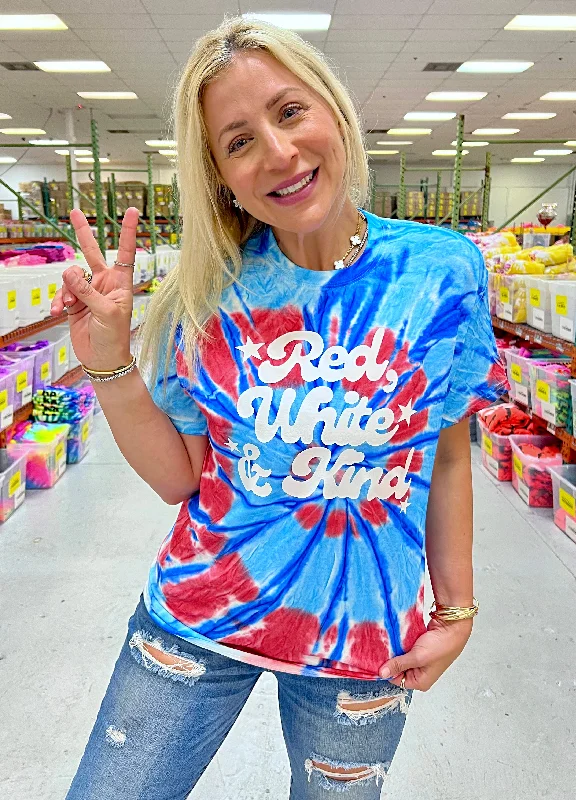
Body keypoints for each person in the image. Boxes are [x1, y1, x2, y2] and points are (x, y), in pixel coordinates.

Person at [55, 16, 507, 800]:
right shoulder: (207, 294)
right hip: (196, 626)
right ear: (221, 178)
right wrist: (107, 359)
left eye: (290, 111)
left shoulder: (442, 272)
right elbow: (178, 478)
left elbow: (450, 452)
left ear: (333, 109)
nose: (279, 153)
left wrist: (457, 608)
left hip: (365, 651)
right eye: (238, 141)